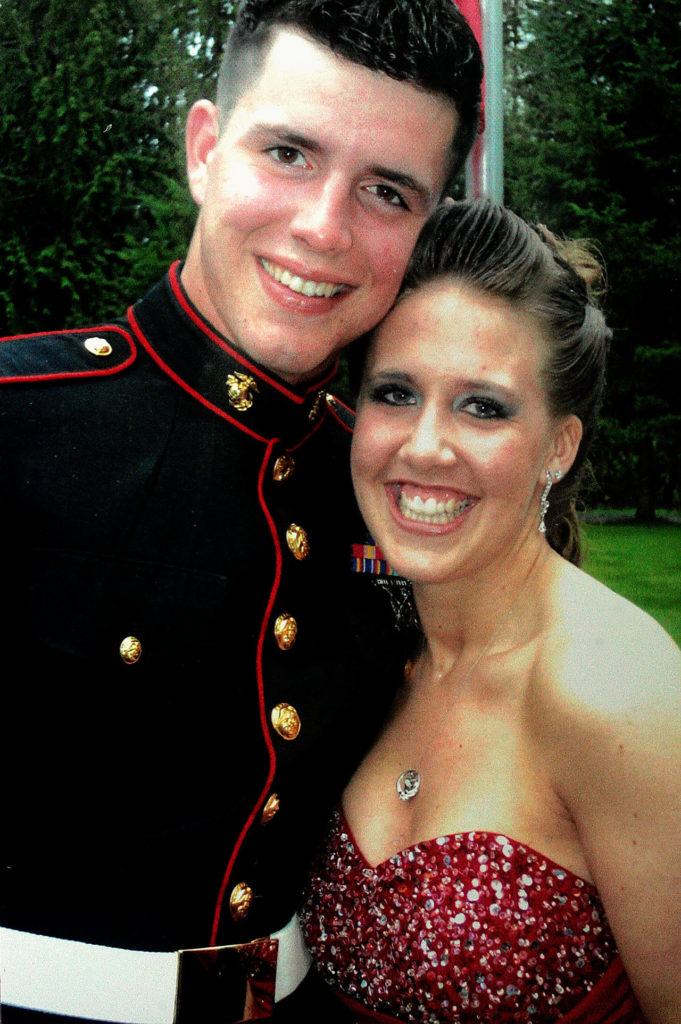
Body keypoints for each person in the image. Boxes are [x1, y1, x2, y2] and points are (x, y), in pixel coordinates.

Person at [0, 2, 483, 1022]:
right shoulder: (20, 426)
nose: (324, 226)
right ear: (205, 151)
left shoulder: (387, 489)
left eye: (387, 191)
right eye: (290, 153)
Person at [301, 200, 681, 1024]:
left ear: (559, 445)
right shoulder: (367, 652)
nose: (425, 446)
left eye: (483, 407)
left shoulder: (615, 689)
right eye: (395, 393)